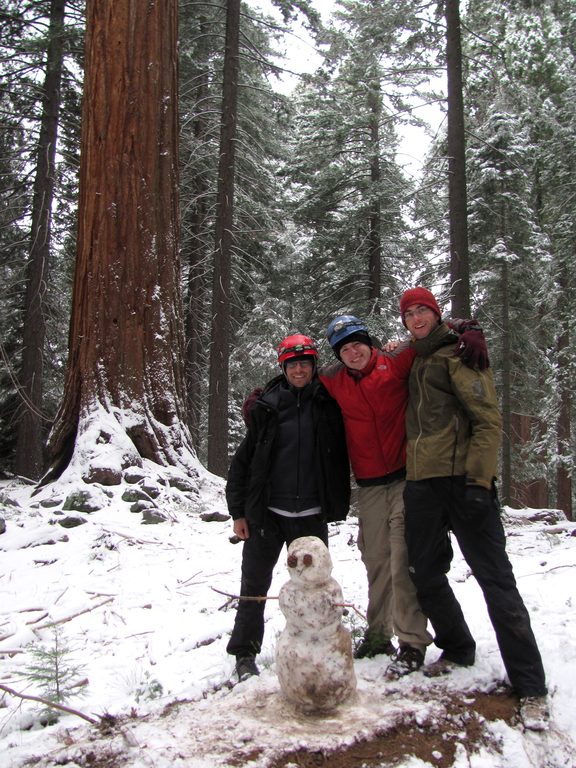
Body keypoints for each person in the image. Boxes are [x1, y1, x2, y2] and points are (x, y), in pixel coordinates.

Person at [399, 287, 549, 729]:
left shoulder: (460, 353)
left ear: (436, 313)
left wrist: (480, 481)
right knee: (423, 572)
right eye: (409, 314)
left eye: (423, 310)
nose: (417, 318)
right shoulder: (417, 356)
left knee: (495, 579)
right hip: (422, 483)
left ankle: (531, 685)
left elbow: (488, 420)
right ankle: (458, 645)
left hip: (466, 483)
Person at [320, 314, 487, 679]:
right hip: (368, 485)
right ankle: (379, 634)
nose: (352, 352)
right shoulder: (333, 380)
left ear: (370, 342)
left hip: (405, 479)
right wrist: (264, 394)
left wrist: (468, 330)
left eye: (356, 344)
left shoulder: (395, 361)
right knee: (375, 558)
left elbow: (429, 335)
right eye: (344, 348)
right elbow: (297, 381)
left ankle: (411, 642)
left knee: (401, 560)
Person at [225, 334, 351, 682]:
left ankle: (317, 647)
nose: (299, 369)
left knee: (314, 588)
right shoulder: (266, 407)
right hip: (267, 515)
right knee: (254, 585)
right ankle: (245, 654)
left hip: (311, 517)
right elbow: (243, 464)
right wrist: (238, 512)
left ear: (313, 366)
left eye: (305, 363)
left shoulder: (328, 404)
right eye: (293, 364)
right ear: (283, 367)